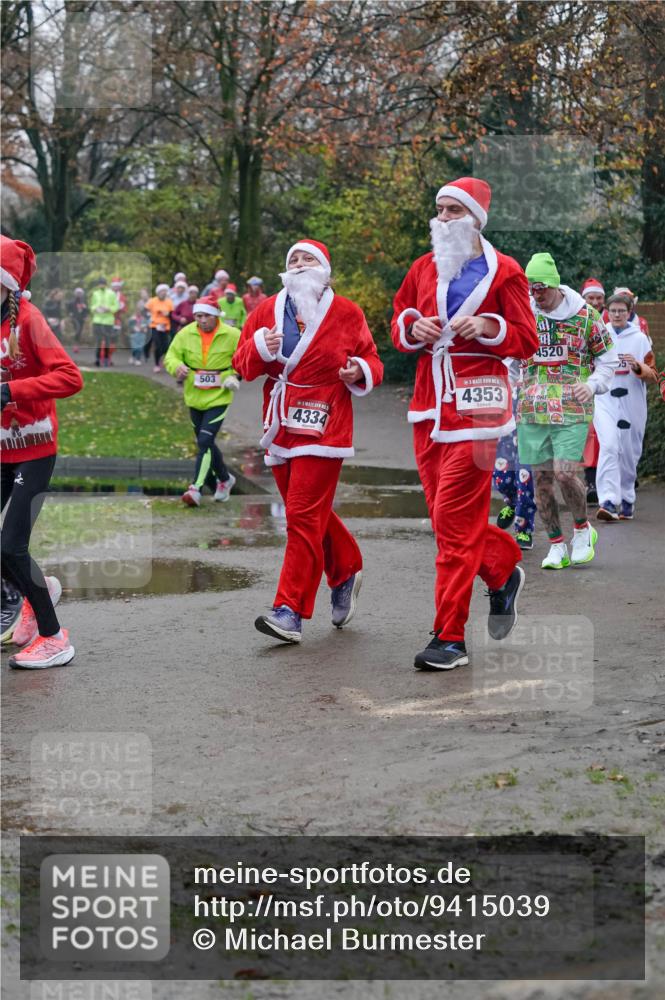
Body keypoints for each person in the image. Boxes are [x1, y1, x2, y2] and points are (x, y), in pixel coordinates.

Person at [392, 177, 538, 671]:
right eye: (440, 210)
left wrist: (490, 326)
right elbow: (398, 322)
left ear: (476, 217)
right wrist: (414, 327)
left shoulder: (506, 273)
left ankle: (449, 637)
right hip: (429, 405)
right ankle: (500, 570)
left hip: (479, 409)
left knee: (452, 523)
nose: (444, 218)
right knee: (445, 522)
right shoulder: (422, 267)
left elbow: (526, 339)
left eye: (454, 210)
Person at [233, 238, 383, 644]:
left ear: (325, 270)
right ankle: (346, 569)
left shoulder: (348, 312)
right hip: (280, 422)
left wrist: (359, 371)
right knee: (309, 513)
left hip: (326, 419)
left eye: (308, 259)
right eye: (293, 259)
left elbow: (372, 360)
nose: (299, 264)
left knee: (301, 516)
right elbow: (242, 364)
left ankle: (289, 611)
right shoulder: (266, 309)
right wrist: (260, 347)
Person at [0, 235, 83, 669]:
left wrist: (11, 390)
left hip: (34, 449)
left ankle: (54, 638)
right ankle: (37, 593)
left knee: (10, 546)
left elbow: (71, 377)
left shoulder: (28, 322)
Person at [517, 252, 618, 570]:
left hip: (572, 407)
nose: (536, 296)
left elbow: (608, 359)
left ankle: (581, 529)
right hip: (533, 409)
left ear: (555, 285)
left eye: (541, 289)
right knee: (541, 481)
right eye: (531, 289)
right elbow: (508, 357)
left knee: (564, 472)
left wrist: (593, 385)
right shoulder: (524, 314)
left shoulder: (585, 315)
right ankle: (556, 545)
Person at [164, 295, 240, 506]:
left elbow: (243, 358)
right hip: (194, 396)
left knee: (205, 441)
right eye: (198, 316)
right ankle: (225, 479)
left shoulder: (232, 334)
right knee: (205, 442)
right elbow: (171, 357)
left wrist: (234, 375)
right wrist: (176, 367)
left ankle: (195, 488)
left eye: (206, 315)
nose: (202, 320)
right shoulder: (185, 334)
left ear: (216, 315)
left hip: (219, 396)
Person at [594, 292, 657, 521]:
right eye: (613, 311)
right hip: (605, 399)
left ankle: (627, 497)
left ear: (629, 312)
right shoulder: (599, 336)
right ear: (607, 313)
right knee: (609, 445)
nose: (617, 314)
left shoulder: (639, 339)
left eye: (622, 310)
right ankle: (608, 501)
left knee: (629, 452)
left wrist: (638, 367)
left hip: (632, 399)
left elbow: (653, 373)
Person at [579, 279, 606, 506]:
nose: (595, 302)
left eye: (599, 298)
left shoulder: (612, 319)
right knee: (590, 435)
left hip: (607, 386)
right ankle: (591, 482)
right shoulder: (578, 318)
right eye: (591, 298)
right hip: (584, 385)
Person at [89, 277, 120, 367]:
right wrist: (96, 309)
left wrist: (109, 309)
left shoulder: (111, 293)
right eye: (100, 284)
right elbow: (92, 306)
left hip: (108, 321)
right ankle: (97, 359)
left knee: (107, 341)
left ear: (105, 284)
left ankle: (106, 359)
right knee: (98, 341)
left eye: (102, 283)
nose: (101, 285)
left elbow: (116, 306)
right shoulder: (95, 293)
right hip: (97, 320)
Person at [145, 284, 174, 372]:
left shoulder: (169, 302)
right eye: (161, 291)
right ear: (158, 292)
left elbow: (173, 314)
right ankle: (157, 364)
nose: (163, 293)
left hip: (165, 326)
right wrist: (149, 317)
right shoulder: (152, 301)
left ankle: (161, 357)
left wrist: (168, 314)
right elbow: (145, 310)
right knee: (157, 345)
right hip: (154, 326)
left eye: (165, 291)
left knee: (165, 346)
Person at [109, 277, 127, 367]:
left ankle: (109, 357)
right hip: (106, 320)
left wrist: (119, 308)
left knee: (113, 340)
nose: (116, 288)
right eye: (114, 286)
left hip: (116, 321)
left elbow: (124, 309)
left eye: (117, 286)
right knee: (106, 339)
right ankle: (105, 357)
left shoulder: (122, 297)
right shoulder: (108, 295)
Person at [66, 287, 88, 354]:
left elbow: (87, 310)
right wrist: (70, 314)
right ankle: (75, 346)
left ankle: (76, 345)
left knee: (79, 332)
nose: (79, 294)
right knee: (77, 331)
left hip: (81, 319)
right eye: (77, 293)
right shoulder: (72, 301)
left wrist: (85, 315)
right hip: (75, 318)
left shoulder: (84, 301)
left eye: (80, 293)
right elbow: (68, 308)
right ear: (75, 293)